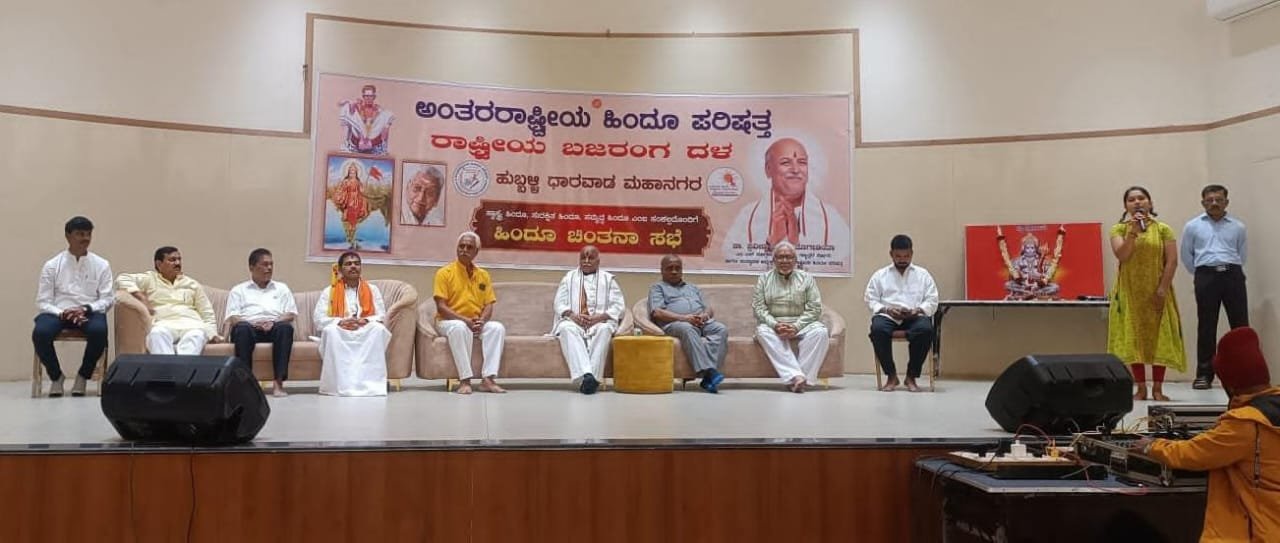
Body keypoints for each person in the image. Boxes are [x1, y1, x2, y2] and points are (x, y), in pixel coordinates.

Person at [1132, 327, 1279, 542]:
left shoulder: (1244, 424)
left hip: (1260, 532)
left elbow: (1195, 454)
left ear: (1230, 384)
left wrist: (1151, 446)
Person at [1107, 186, 1186, 401]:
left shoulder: (1163, 229)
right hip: (1130, 293)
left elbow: (1172, 261)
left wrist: (1162, 289)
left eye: (1141, 198)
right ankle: (1141, 388)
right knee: (1135, 339)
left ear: (1150, 203)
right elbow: (1122, 256)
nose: (1137, 202)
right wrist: (1132, 233)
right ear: (1125, 206)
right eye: (1132, 199)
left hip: (1157, 290)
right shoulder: (1118, 230)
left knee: (1159, 338)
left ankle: (1158, 388)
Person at [723, 137, 851, 267]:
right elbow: (733, 259)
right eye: (785, 163)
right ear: (768, 169)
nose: (795, 170)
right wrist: (773, 241)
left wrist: (795, 242)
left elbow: (840, 260)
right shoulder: (748, 216)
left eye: (802, 162)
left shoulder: (829, 217)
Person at [32, 216, 113, 397]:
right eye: (80, 234)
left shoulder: (101, 264)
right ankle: (56, 377)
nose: (85, 238)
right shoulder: (52, 265)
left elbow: (107, 299)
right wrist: (63, 312)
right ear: (68, 236)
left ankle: (83, 376)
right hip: (57, 312)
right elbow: (43, 301)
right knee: (41, 333)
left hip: (89, 311)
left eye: (88, 234)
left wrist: (86, 308)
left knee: (99, 331)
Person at [1181, 184, 1249, 390]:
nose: (1214, 203)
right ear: (1203, 202)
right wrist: (1203, 274)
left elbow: (1241, 255)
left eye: (1219, 200)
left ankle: (1244, 374)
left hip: (1232, 275)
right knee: (1206, 325)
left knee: (1240, 326)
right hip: (1206, 276)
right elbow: (1187, 255)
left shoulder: (1238, 227)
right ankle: (1204, 374)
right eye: (1209, 200)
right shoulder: (1193, 226)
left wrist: (1229, 270)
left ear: (1226, 202)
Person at [434, 232, 506, 395]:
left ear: (476, 252)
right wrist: (466, 321)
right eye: (461, 246)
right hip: (448, 321)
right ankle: (465, 380)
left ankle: (488, 379)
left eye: (469, 247)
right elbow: (441, 307)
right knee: (459, 327)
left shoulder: (483, 275)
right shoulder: (444, 273)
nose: (464, 250)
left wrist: (482, 321)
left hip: (474, 322)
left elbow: (489, 304)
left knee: (497, 328)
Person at [752, 241, 829, 393]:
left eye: (789, 257)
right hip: (774, 324)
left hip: (802, 324)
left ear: (795, 260)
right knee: (762, 332)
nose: (785, 261)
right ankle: (796, 377)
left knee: (821, 332)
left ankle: (798, 379)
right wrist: (775, 325)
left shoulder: (807, 278)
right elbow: (758, 308)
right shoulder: (764, 279)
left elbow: (814, 308)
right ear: (774, 260)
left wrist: (796, 326)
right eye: (780, 257)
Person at [865, 234, 939, 392]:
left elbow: (932, 300)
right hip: (888, 315)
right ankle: (891, 376)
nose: (902, 260)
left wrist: (918, 309)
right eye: (898, 256)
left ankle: (911, 377)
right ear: (891, 254)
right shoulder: (880, 275)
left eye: (906, 256)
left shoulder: (923, 275)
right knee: (878, 330)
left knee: (925, 330)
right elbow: (870, 299)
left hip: (915, 316)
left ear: (912, 253)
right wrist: (887, 309)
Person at [117, 247, 221, 355]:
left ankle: (181, 366)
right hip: (163, 324)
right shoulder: (150, 279)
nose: (177, 263)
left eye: (179, 259)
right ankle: (168, 365)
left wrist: (212, 333)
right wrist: (141, 298)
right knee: (156, 334)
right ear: (159, 264)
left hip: (192, 325)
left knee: (197, 335)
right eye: (172, 260)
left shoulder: (192, 284)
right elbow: (122, 279)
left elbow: (206, 311)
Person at [648, 254, 728, 393]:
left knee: (721, 329)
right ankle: (708, 373)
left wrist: (704, 316)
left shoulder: (692, 287)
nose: (674, 271)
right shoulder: (658, 288)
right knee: (688, 328)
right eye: (670, 268)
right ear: (662, 270)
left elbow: (708, 308)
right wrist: (684, 318)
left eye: (677, 268)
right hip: (675, 324)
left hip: (700, 322)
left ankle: (710, 375)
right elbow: (657, 313)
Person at [314, 251, 390, 396]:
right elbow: (319, 318)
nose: (353, 266)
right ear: (340, 269)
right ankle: (339, 385)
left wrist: (365, 320)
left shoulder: (372, 290)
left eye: (357, 263)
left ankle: (371, 384)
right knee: (331, 331)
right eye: (348, 264)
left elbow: (381, 315)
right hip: (341, 330)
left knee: (378, 329)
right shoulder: (330, 291)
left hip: (364, 329)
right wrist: (341, 322)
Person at [225, 248, 298, 398]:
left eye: (271, 264)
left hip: (274, 327)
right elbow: (233, 317)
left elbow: (291, 313)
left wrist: (273, 322)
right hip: (249, 327)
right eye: (264, 264)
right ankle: (246, 385)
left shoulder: (281, 288)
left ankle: (278, 384)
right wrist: (252, 324)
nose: (269, 268)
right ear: (251, 267)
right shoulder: (239, 290)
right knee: (242, 329)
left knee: (285, 328)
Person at [553, 245, 624, 394]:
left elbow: (619, 306)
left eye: (590, 258)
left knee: (605, 329)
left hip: (599, 322)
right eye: (583, 258)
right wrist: (572, 315)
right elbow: (559, 303)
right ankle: (588, 376)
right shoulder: (569, 278)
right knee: (566, 328)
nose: (586, 261)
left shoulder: (608, 279)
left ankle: (589, 379)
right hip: (574, 321)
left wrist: (600, 317)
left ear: (598, 261)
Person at [997, 225, 1065, 300]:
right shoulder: (1018, 261)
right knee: (1008, 284)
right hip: (1023, 286)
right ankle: (1029, 294)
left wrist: (1043, 280)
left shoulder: (1041, 260)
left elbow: (1049, 271)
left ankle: (1031, 294)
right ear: (1024, 249)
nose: (1030, 250)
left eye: (1032, 248)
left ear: (1035, 249)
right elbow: (1013, 270)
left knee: (1055, 287)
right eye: (1027, 248)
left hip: (1038, 287)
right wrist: (1018, 276)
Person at [338, 84, 395, 155]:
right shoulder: (358, 106)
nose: (368, 98)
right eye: (366, 96)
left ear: (374, 97)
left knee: (387, 116)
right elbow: (340, 104)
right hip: (358, 139)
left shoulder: (378, 109)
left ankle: (384, 148)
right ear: (363, 96)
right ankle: (345, 144)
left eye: (370, 96)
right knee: (346, 108)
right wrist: (348, 101)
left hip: (373, 140)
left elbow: (384, 120)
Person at [330, 162, 370, 250]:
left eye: (354, 172)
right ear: (348, 172)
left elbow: (362, 191)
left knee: (354, 223)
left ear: (356, 173)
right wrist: (339, 196)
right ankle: (351, 240)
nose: (352, 173)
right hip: (349, 202)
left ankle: (353, 240)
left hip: (357, 203)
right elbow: (341, 190)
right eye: (351, 172)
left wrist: (363, 188)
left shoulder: (358, 182)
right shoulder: (346, 181)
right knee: (349, 221)